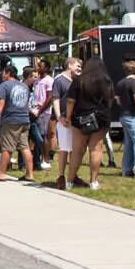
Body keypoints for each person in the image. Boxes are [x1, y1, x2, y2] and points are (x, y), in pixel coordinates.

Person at [64, 59, 118, 190]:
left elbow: (71, 101)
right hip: (100, 118)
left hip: (80, 118)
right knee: (96, 149)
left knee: (77, 150)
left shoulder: (79, 80)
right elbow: (111, 100)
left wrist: (68, 117)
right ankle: (93, 182)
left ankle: (70, 181)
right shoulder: (106, 81)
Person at [0, 62, 35, 183]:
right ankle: (29, 174)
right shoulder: (24, 86)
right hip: (24, 120)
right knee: (25, 147)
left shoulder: (4, 85)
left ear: (8, 73)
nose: (2, 74)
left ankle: (1, 174)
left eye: (4, 72)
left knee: (7, 148)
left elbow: (1, 103)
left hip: (11, 120)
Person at [51, 58, 81, 186]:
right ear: (69, 65)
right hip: (64, 119)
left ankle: (73, 175)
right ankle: (61, 176)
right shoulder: (59, 80)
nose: (80, 68)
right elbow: (55, 99)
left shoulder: (77, 81)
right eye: (78, 66)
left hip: (76, 119)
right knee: (64, 148)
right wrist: (59, 117)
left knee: (75, 149)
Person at [30, 60, 56, 171]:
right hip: (34, 110)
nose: (38, 67)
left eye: (40, 66)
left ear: (46, 68)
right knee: (35, 135)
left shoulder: (49, 81)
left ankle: (45, 159)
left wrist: (41, 111)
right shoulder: (37, 80)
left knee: (43, 135)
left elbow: (50, 97)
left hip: (43, 112)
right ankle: (36, 158)